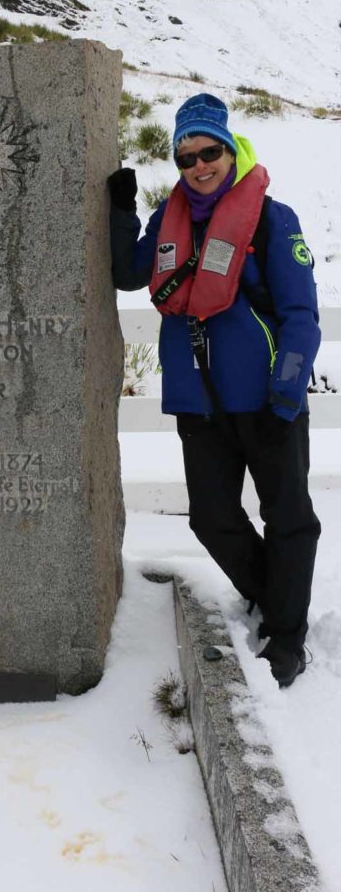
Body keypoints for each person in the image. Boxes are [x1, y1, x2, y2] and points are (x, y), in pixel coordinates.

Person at [108, 93, 321, 689]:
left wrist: (286, 395)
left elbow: (302, 316)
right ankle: (273, 597)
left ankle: (287, 636)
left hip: (266, 402)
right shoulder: (167, 220)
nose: (199, 166)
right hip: (198, 405)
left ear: (230, 151)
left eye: (210, 152)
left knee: (289, 519)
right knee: (212, 518)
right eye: (186, 157)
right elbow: (130, 273)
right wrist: (121, 209)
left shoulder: (271, 220)